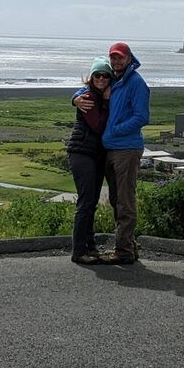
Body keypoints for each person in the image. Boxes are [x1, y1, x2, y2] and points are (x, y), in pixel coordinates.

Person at [74, 41, 149, 264]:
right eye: (113, 57)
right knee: (118, 199)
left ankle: (124, 251)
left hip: (126, 148)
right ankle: (128, 247)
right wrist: (75, 97)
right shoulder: (115, 79)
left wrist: (114, 131)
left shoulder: (135, 82)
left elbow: (142, 117)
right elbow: (91, 87)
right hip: (112, 150)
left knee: (124, 201)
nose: (116, 61)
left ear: (129, 59)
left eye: (120, 57)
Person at [66, 57, 113, 264]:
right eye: (97, 75)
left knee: (91, 202)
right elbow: (97, 125)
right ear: (91, 77)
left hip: (96, 154)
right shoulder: (87, 96)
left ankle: (90, 245)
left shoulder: (100, 94)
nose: (101, 78)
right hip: (82, 152)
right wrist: (106, 101)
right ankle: (78, 251)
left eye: (105, 75)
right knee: (85, 202)